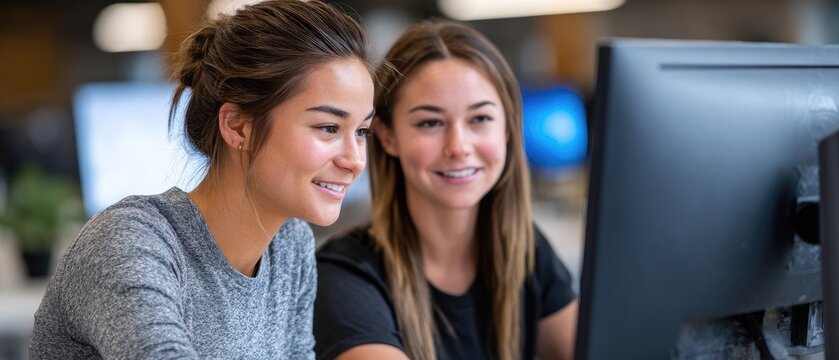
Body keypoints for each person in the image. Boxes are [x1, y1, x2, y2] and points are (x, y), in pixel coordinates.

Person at [29, 1, 375, 358]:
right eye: (328, 128)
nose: (355, 161)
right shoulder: (129, 242)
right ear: (237, 126)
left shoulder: (289, 246)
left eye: (362, 131)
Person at [314, 20, 578, 360]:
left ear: (508, 128)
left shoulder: (526, 251)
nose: (458, 146)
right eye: (430, 123)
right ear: (387, 136)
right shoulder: (344, 277)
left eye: (480, 119)